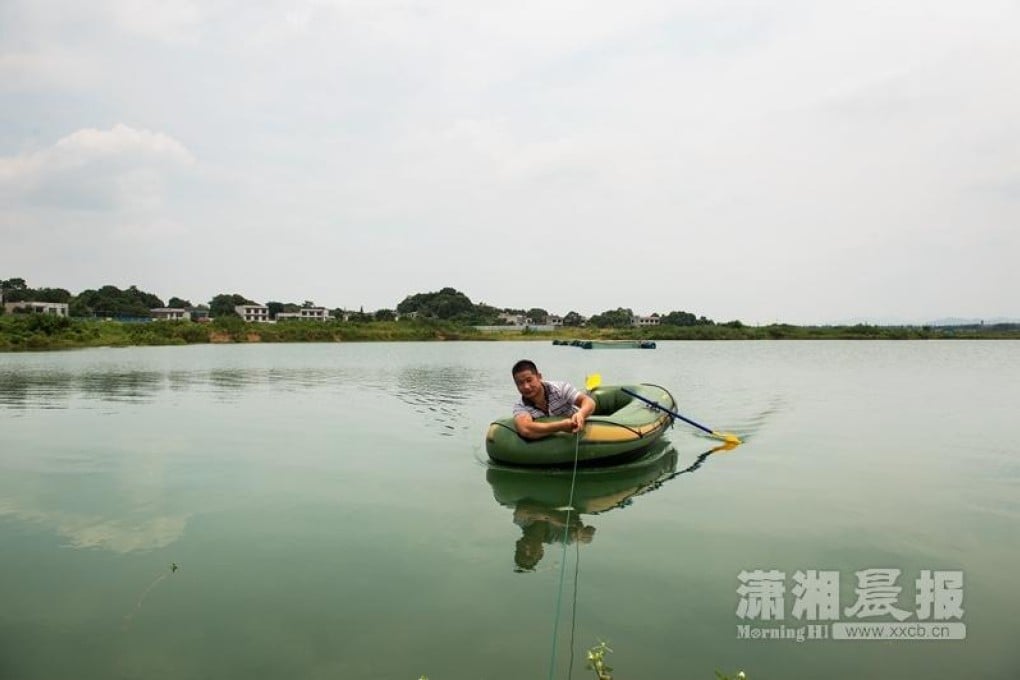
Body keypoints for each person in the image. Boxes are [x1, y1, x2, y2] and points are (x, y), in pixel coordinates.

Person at [511, 359, 596, 439]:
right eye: (520, 383)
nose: (526, 387)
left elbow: (588, 402)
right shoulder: (520, 407)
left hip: (580, 431)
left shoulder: (560, 388)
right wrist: (560, 426)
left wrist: (581, 414)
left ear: (539, 377)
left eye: (529, 380)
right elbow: (525, 429)